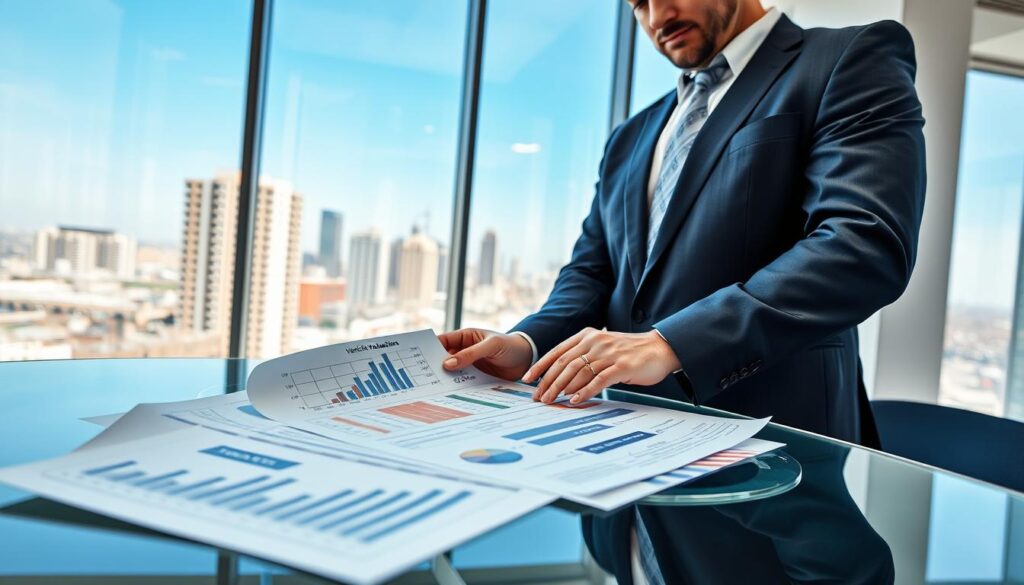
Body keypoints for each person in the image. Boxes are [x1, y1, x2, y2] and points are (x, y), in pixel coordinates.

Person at [441, 0, 924, 581]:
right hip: (625, 481)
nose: (655, 13)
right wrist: (526, 345)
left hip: (777, 477)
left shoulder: (845, 60)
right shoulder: (632, 135)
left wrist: (672, 342)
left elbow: (863, 243)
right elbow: (594, 274)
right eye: (636, 2)